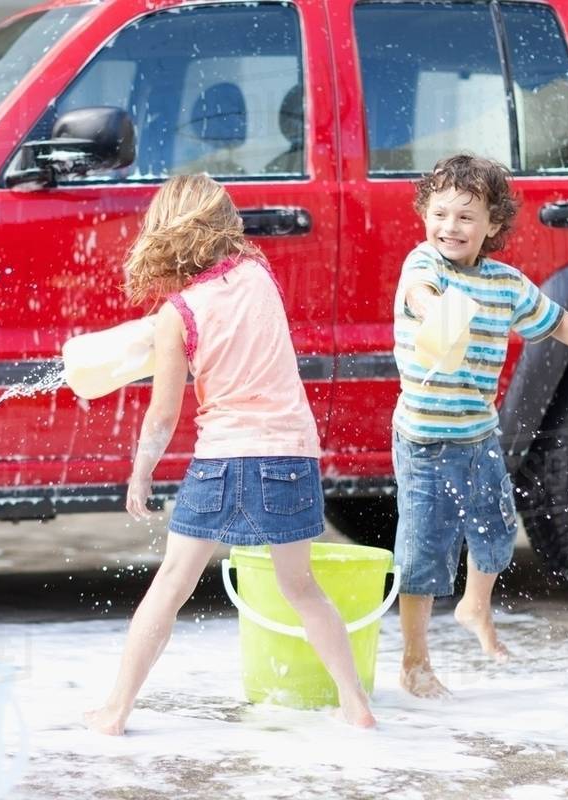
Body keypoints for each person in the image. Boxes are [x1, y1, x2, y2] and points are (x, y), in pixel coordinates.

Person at [84, 174, 375, 734]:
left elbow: (164, 414)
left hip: (222, 459)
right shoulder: (259, 276)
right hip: (289, 456)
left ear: (164, 234)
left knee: (171, 584)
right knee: (301, 588)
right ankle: (355, 702)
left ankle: (116, 710)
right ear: (226, 226)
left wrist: (140, 472)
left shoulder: (178, 313)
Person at [393, 154, 568, 698]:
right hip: (424, 438)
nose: (449, 227)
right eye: (440, 213)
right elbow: (418, 292)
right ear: (425, 216)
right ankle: (414, 662)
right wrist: (438, 315)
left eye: (465, 217)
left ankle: (475, 607)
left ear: (493, 226)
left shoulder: (505, 284)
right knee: (423, 549)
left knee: (497, 529)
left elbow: (556, 322)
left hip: (478, 433)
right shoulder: (423, 264)